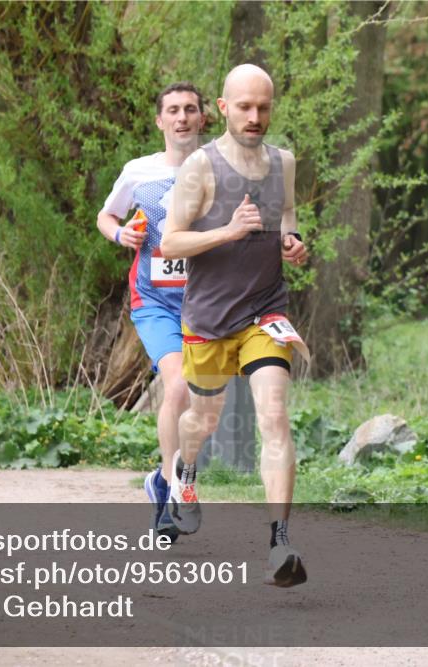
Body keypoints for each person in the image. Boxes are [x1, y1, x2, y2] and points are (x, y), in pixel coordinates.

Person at [160, 64, 310, 587]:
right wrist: (226, 231)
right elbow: (170, 242)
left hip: (265, 311)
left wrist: (291, 243)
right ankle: (187, 473)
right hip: (209, 317)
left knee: (273, 413)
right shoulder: (200, 167)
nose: (255, 117)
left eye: (264, 107)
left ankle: (280, 542)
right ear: (222, 108)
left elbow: (286, 214)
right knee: (201, 421)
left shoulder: (284, 163)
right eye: (244, 107)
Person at [97, 82, 206, 542]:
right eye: (173, 111)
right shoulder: (139, 172)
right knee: (176, 385)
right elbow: (106, 216)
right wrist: (121, 235)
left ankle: (161, 481)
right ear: (160, 121)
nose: (182, 118)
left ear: (204, 118)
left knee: (203, 402)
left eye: (190, 110)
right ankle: (172, 495)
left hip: (206, 302)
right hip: (154, 300)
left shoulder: (220, 169)